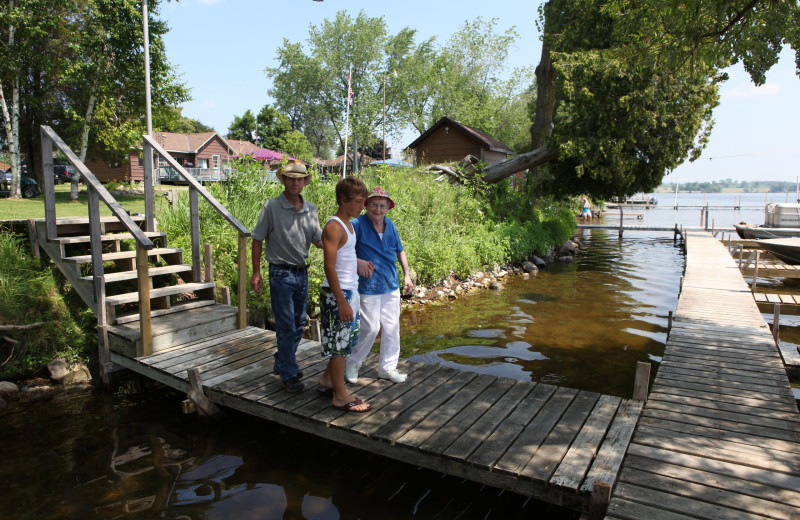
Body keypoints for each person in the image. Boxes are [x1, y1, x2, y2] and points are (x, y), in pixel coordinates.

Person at [250, 160, 322, 393]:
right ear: (284, 180)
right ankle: (288, 374)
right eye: (291, 178)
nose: (295, 182)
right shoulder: (271, 207)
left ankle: (282, 359)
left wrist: (342, 242)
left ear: (304, 182)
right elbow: (257, 239)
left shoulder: (310, 208)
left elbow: (318, 240)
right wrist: (256, 271)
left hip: (302, 273)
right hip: (280, 273)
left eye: (299, 179)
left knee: (299, 322)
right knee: (285, 323)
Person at [345, 186, 413, 384]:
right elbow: (342, 248)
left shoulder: (390, 225)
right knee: (371, 328)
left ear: (388, 208)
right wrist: (358, 262)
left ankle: (387, 368)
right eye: (374, 204)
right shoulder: (357, 224)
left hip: (390, 284)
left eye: (382, 205)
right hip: (368, 285)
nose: (378, 209)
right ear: (366, 205)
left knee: (392, 328)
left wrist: (407, 275)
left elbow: (400, 251)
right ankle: (353, 362)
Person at [317, 176, 371, 412]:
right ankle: (340, 396)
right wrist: (342, 302)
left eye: (363, 201)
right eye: (358, 201)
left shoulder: (349, 223)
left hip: (351, 290)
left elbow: (345, 258)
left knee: (345, 343)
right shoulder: (334, 226)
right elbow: (329, 266)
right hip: (337, 294)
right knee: (339, 348)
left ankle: (327, 381)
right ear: (342, 200)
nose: (362, 206)